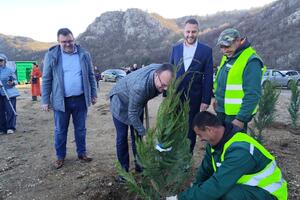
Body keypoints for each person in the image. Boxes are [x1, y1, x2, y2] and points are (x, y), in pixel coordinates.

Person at [168, 111, 287, 200]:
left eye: (200, 135)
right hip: (248, 188)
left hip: (269, 193)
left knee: (225, 195)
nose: (200, 139)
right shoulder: (215, 143)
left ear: (209, 130)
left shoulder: (240, 151)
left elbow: (217, 185)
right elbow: (205, 170)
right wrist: (195, 188)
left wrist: (181, 198)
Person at [42, 28, 97, 169]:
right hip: (61, 101)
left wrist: (93, 94)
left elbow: (91, 75)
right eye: (64, 41)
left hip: (80, 99)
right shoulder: (52, 55)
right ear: (58, 41)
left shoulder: (84, 54)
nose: (68, 44)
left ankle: (82, 153)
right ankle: (60, 157)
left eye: (70, 41)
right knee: (60, 130)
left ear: (74, 39)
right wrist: (45, 100)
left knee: (81, 129)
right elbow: (47, 79)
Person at [109, 63, 174, 175]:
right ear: (156, 75)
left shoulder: (160, 70)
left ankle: (140, 165)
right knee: (122, 137)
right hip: (120, 102)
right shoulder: (140, 88)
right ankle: (124, 172)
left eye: (168, 86)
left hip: (136, 103)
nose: (165, 89)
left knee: (137, 137)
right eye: (163, 85)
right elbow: (132, 114)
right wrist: (145, 133)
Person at [169, 18, 213, 153]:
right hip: (175, 96)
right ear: (183, 31)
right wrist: (168, 94)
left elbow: (208, 76)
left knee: (190, 129)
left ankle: (186, 159)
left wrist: (206, 99)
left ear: (198, 31)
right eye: (188, 31)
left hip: (195, 98)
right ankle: (172, 156)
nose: (190, 35)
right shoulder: (175, 49)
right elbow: (170, 71)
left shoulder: (206, 51)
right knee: (173, 127)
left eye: (193, 32)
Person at [213, 28, 266, 130]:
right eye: (221, 47)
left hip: (236, 116)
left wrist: (241, 119)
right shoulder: (229, 56)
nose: (224, 50)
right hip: (222, 111)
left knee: (232, 145)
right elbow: (223, 82)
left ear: (238, 41)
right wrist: (218, 99)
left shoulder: (251, 61)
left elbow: (253, 94)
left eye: (227, 46)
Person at [0, 53, 20, 134]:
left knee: (10, 110)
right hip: (0, 94)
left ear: (5, 61)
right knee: (1, 111)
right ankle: (2, 128)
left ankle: (10, 127)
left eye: (1, 60)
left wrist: (12, 83)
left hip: (9, 93)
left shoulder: (9, 70)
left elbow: (16, 81)